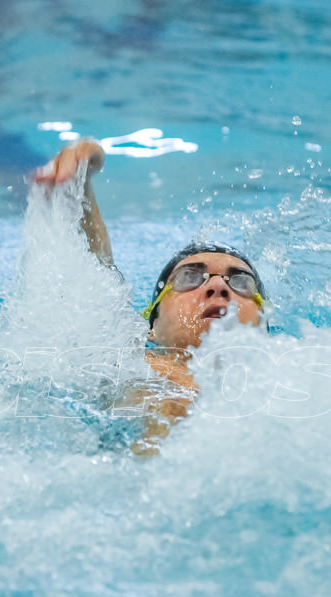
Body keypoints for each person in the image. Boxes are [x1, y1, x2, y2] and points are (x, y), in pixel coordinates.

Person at [34, 139, 268, 453]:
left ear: (264, 320)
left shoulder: (304, 372)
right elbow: (94, 268)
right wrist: (82, 179)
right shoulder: (131, 360)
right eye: (190, 278)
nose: (219, 288)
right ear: (152, 326)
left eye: (241, 282)